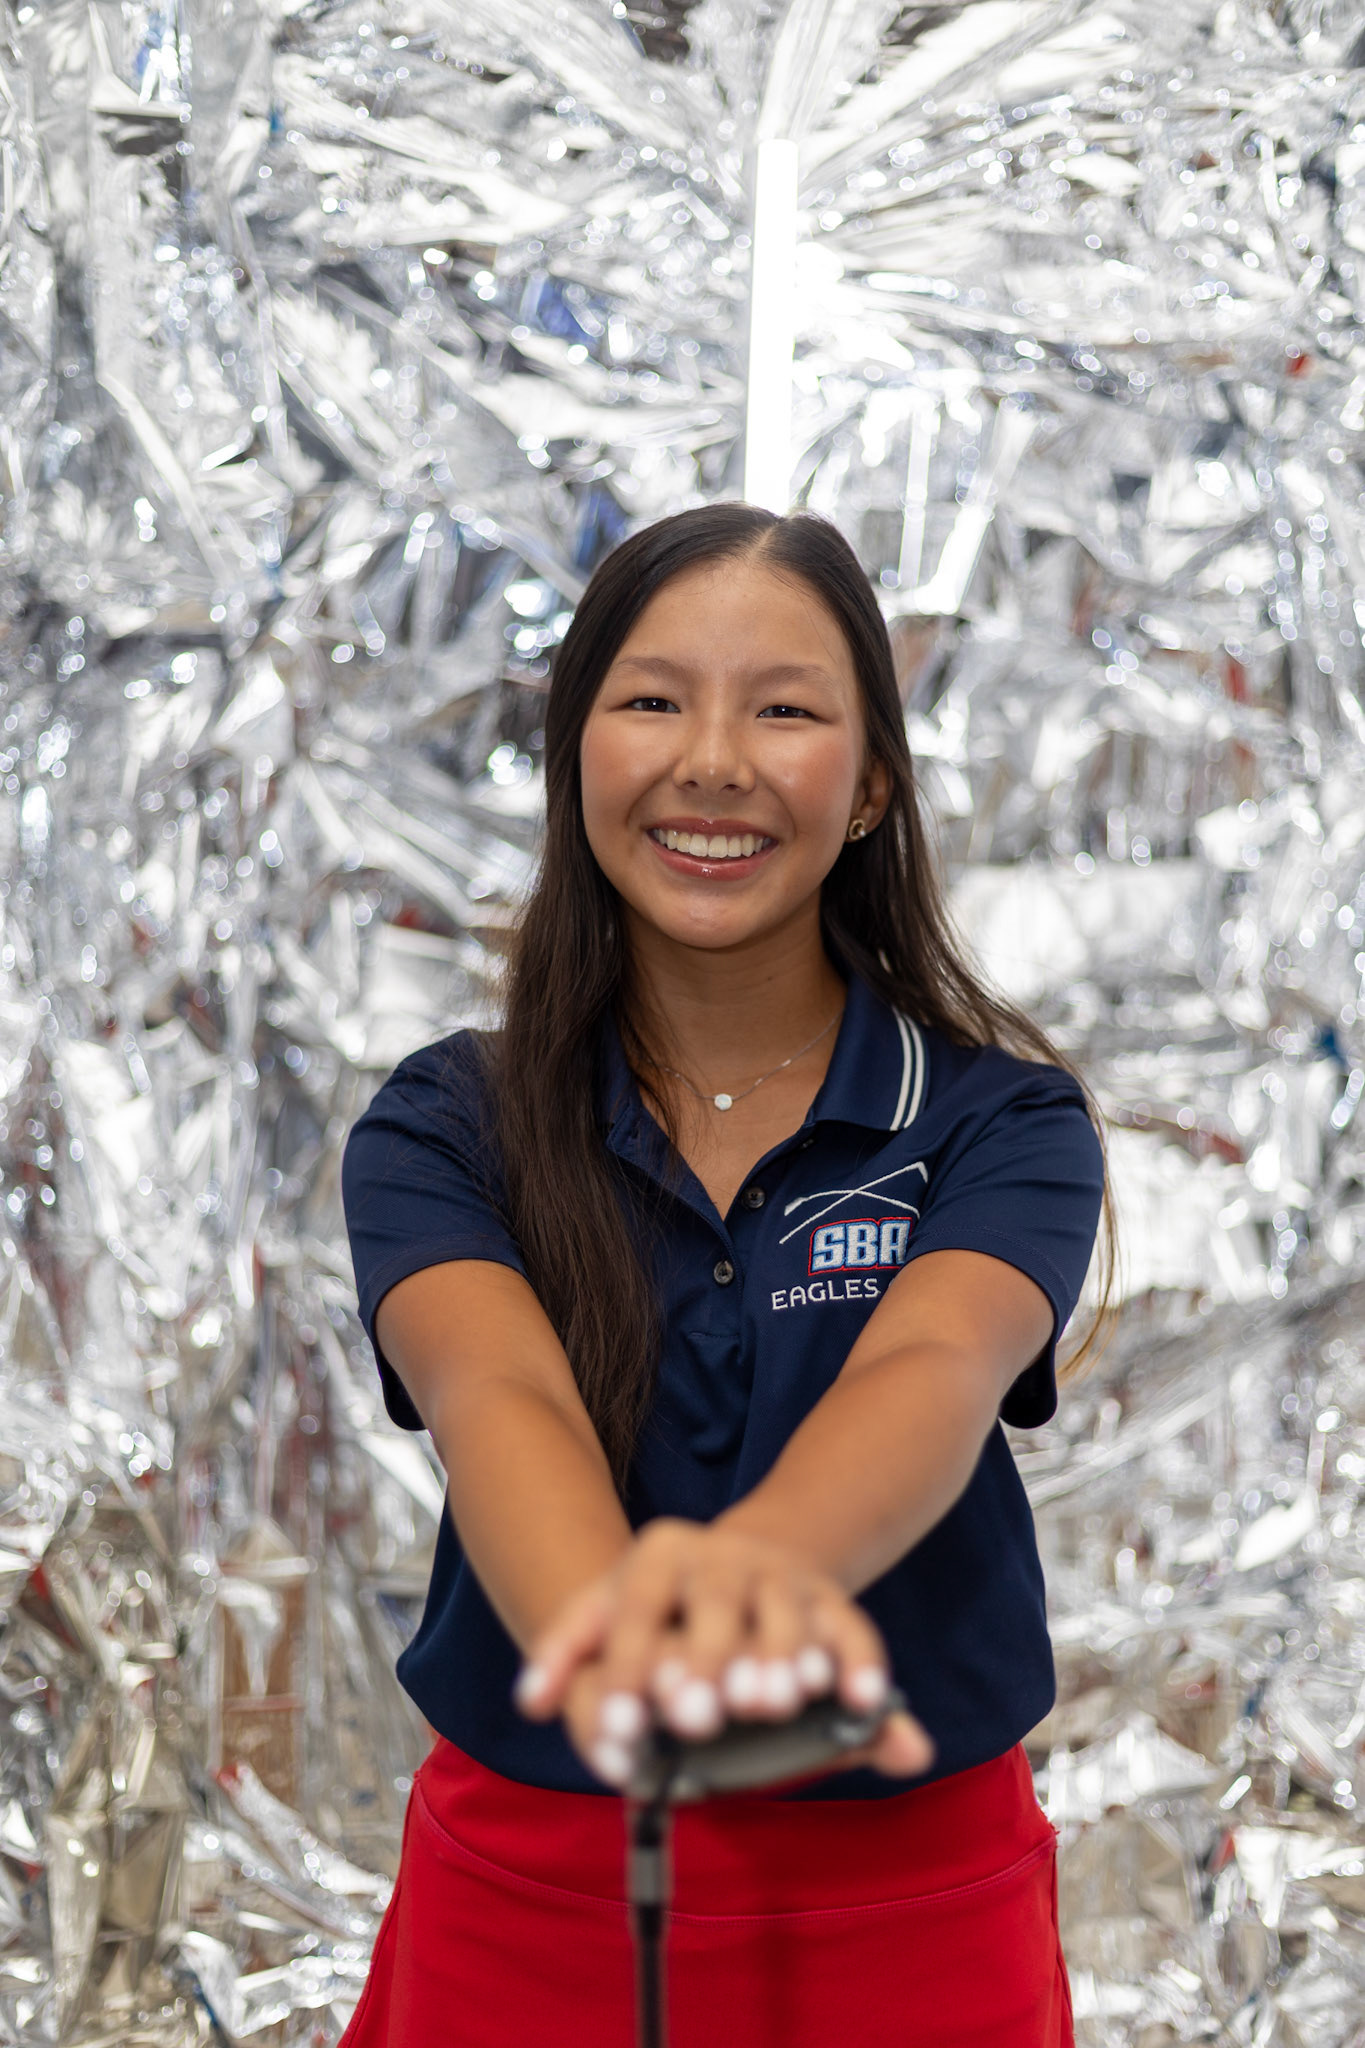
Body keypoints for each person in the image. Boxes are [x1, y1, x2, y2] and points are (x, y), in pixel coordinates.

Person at [338, 503, 1110, 2048]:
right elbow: (495, 1395)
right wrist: (607, 1634)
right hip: (531, 1900)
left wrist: (754, 1567)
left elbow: (931, 1370)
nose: (712, 760)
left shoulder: (998, 1121)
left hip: (910, 1906)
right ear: (574, 757)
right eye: (650, 700)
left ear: (872, 780)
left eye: (784, 709)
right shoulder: (447, 1124)